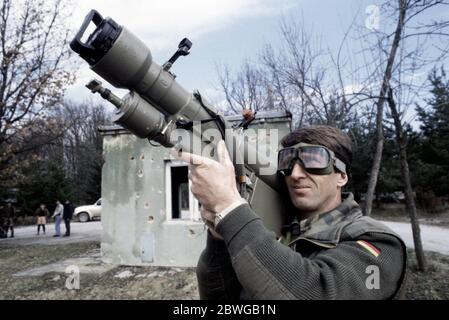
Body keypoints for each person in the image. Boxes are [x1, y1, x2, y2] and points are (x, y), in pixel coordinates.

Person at [175, 125, 407, 300]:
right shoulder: (270, 231)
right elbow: (219, 299)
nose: (295, 173)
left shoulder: (379, 244)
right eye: (287, 161)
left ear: (342, 176)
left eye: (314, 159)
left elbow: (314, 291)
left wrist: (231, 209)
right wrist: (220, 239)